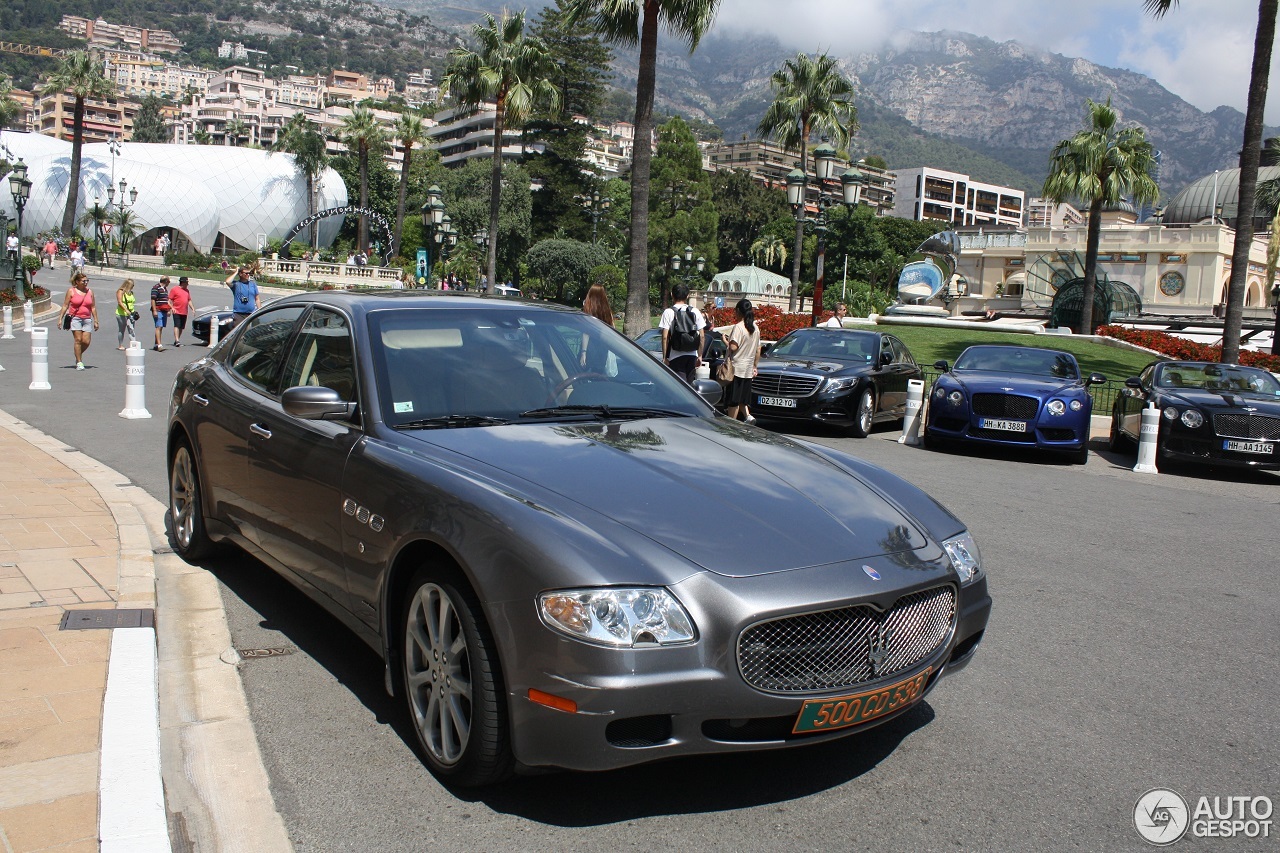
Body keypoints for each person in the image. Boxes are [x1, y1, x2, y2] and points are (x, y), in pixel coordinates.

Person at [724, 298, 762, 423]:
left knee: (733, 399)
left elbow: (733, 347)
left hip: (736, 368)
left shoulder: (739, 327)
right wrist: (755, 366)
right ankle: (748, 417)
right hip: (748, 369)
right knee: (742, 398)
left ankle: (731, 424)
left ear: (739, 311)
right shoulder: (755, 328)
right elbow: (758, 349)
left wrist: (726, 341)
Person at [659, 283, 705, 383]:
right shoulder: (695, 311)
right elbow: (702, 336)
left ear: (672, 295)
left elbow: (665, 337)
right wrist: (700, 355)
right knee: (689, 385)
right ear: (687, 295)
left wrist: (665, 357)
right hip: (692, 355)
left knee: (678, 386)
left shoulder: (668, 312)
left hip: (675, 356)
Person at [58, 273, 99, 370]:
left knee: (86, 341)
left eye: (87, 281)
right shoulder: (71, 291)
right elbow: (65, 305)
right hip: (75, 318)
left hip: (87, 319)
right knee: (78, 340)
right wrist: (60, 318)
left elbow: (93, 307)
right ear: (77, 282)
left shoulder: (90, 292)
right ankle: (79, 362)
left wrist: (96, 320)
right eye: (83, 281)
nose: (86, 283)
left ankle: (78, 355)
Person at [580, 283, 614, 372]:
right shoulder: (607, 311)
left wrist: (583, 352)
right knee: (599, 372)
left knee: (583, 371)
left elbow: (586, 332)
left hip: (590, 347)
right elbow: (612, 329)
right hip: (603, 347)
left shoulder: (588, 310)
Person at [115, 279, 138, 350]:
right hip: (121, 313)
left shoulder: (131, 292)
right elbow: (120, 302)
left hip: (131, 314)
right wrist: (126, 310)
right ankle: (120, 345)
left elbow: (132, 302)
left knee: (131, 329)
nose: (133, 287)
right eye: (132, 285)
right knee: (122, 329)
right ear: (128, 285)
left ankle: (133, 344)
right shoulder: (121, 291)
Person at [150, 276, 172, 351]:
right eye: (169, 281)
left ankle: (156, 344)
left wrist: (169, 309)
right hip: (158, 309)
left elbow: (166, 300)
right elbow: (153, 299)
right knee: (158, 326)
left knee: (161, 327)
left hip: (164, 310)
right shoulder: (156, 288)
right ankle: (159, 345)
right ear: (165, 281)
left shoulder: (165, 289)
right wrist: (154, 310)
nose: (169, 283)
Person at [169, 276, 192, 346]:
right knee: (177, 325)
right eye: (186, 283)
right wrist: (171, 308)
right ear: (183, 283)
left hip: (184, 311)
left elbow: (189, 300)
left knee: (182, 327)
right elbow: (169, 300)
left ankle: (177, 340)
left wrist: (193, 308)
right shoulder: (174, 289)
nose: (187, 284)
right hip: (176, 310)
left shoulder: (187, 291)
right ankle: (177, 340)